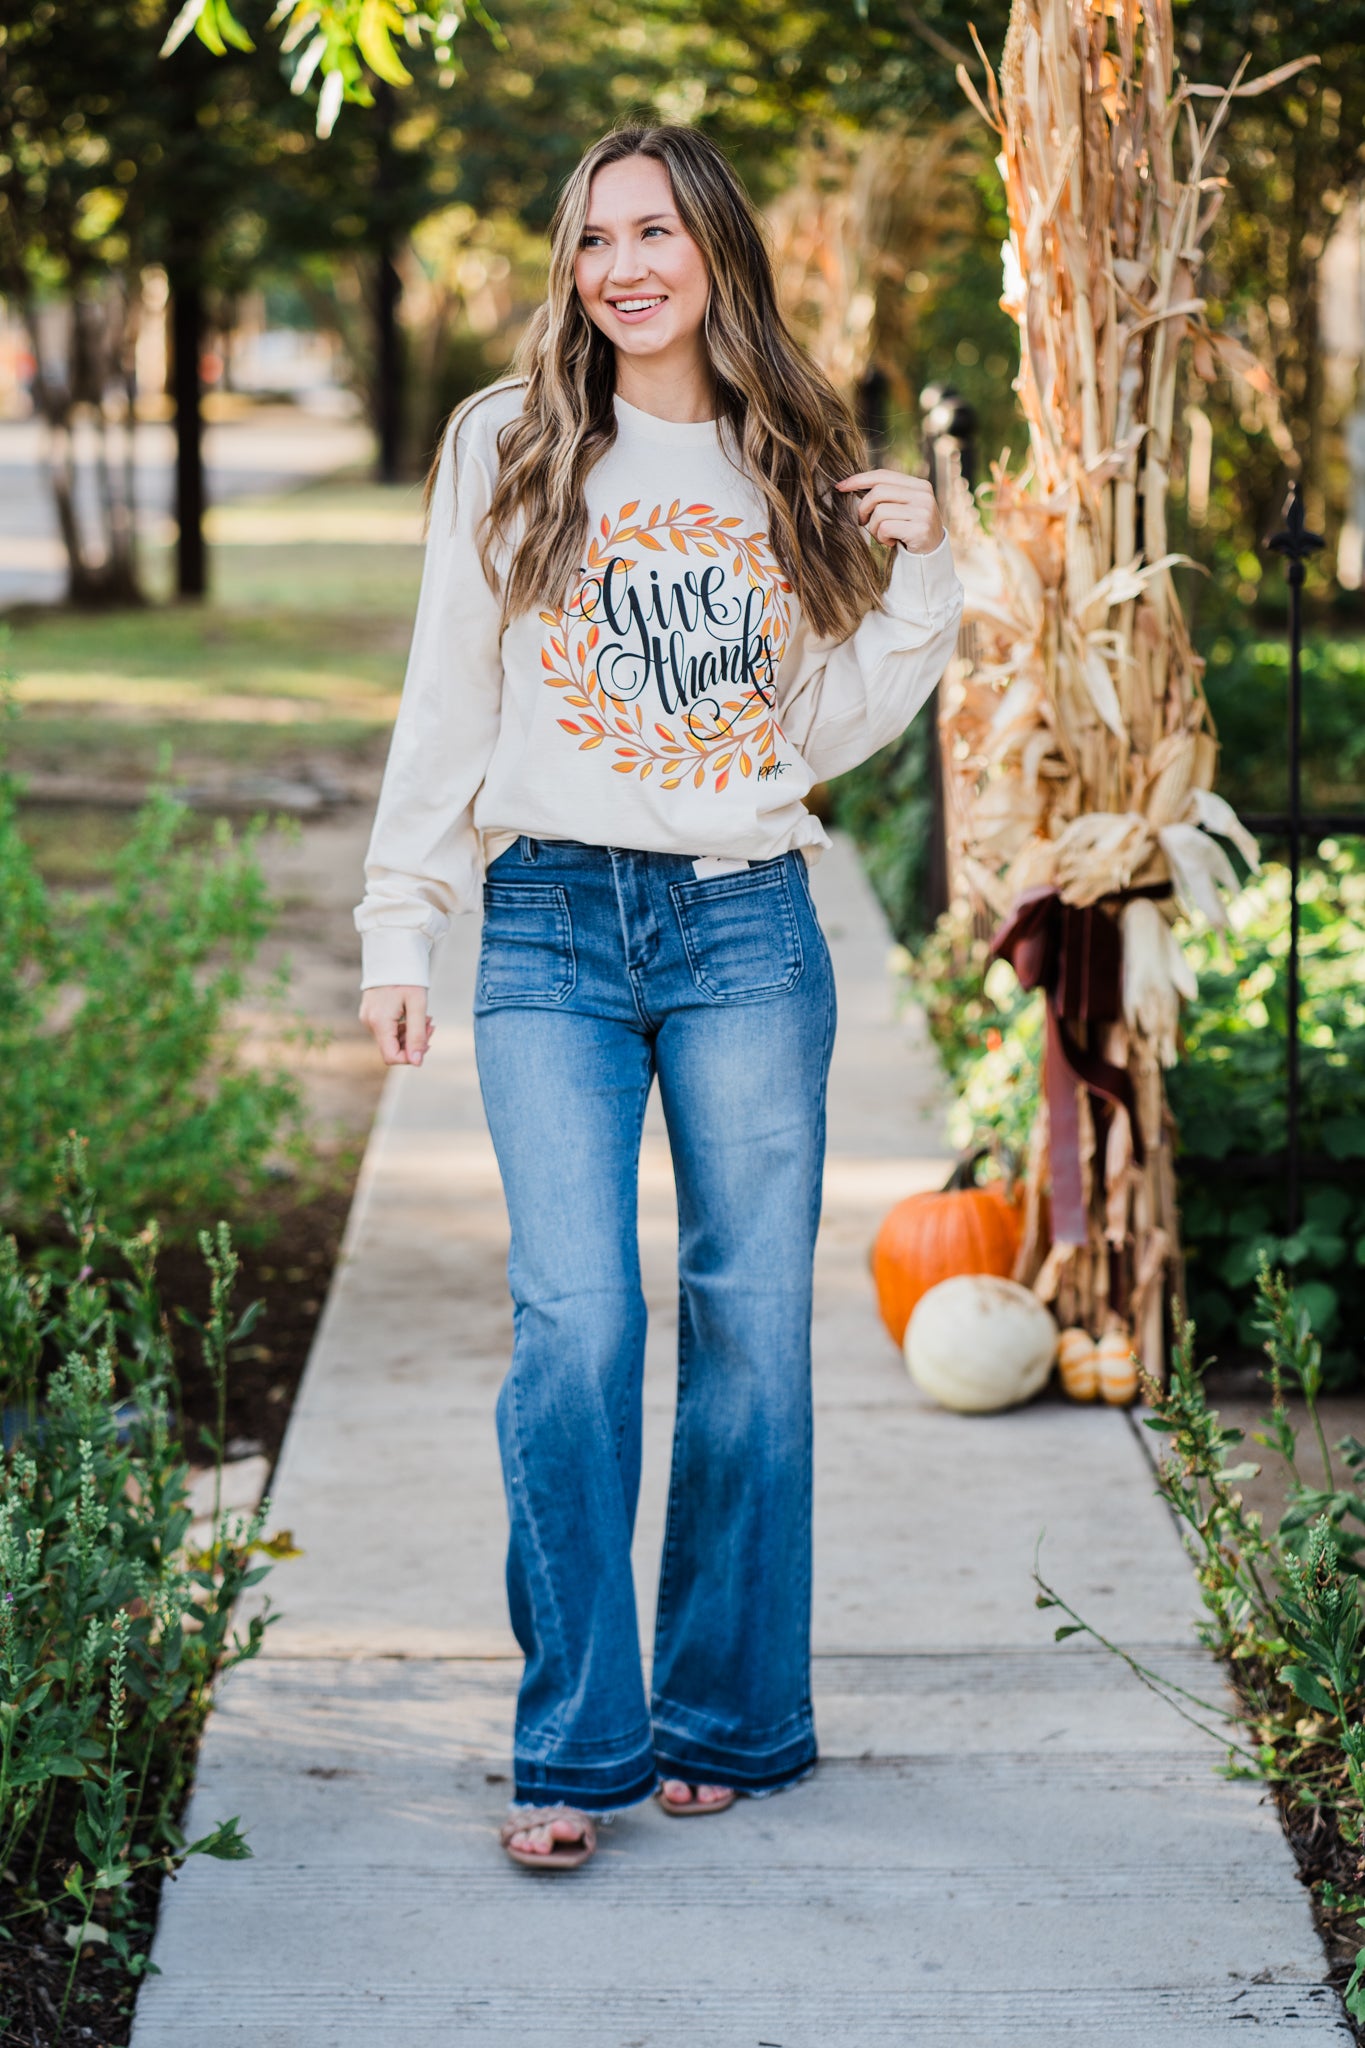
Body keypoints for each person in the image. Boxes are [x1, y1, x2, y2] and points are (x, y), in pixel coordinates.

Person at [354, 121, 963, 1871]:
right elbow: (443, 703)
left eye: (656, 232)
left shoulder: (797, 444)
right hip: (545, 919)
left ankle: (721, 1715)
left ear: (713, 251)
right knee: (577, 1329)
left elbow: (818, 726)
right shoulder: (510, 439)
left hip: (742, 925)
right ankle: (575, 1742)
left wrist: (922, 578)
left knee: (753, 1343)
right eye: (595, 236)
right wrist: (406, 925)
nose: (623, 265)